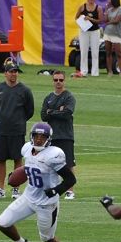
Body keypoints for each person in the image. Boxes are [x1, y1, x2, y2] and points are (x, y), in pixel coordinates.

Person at [0, 122, 77, 242]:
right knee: (2, 223)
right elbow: (30, 168)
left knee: (47, 238)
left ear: (49, 139)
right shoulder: (27, 149)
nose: (39, 139)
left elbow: (70, 179)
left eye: (43, 136)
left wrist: (56, 190)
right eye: (36, 136)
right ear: (31, 136)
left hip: (47, 204)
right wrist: (14, 177)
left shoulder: (53, 155)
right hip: (29, 196)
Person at [0, 63, 34, 199]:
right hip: (1, 130)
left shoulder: (25, 90)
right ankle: (1, 188)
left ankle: (16, 188)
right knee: (1, 159)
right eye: (11, 71)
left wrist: (18, 121)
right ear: (5, 73)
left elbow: (29, 111)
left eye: (15, 71)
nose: (14, 74)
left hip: (17, 131)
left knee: (17, 159)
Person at [40, 70, 77, 200]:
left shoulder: (69, 97)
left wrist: (52, 112)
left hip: (66, 135)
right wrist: (58, 111)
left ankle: (70, 191)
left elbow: (67, 113)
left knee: (68, 163)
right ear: (52, 81)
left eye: (61, 80)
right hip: (51, 137)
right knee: (50, 164)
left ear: (64, 81)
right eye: (56, 80)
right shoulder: (48, 97)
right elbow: (43, 115)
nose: (58, 82)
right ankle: (53, 188)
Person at [75, 0, 103, 77]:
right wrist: (82, 20)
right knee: (83, 51)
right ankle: (83, 71)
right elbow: (76, 17)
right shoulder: (82, 7)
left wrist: (90, 19)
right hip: (84, 31)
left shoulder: (98, 8)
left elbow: (100, 21)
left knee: (95, 52)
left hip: (95, 31)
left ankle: (95, 72)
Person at [103, 0, 121, 75]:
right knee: (108, 53)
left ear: (114, 0)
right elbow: (104, 20)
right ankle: (110, 71)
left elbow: (117, 21)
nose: (108, 1)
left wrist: (109, 22)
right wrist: (106, 9)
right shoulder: (109, 10)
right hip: (107, 33)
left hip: (116, 34)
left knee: (118, 53)